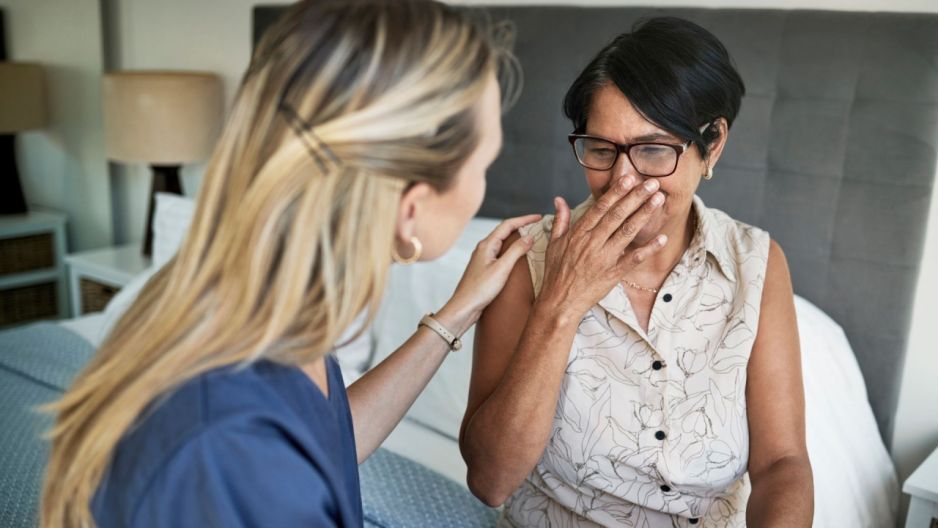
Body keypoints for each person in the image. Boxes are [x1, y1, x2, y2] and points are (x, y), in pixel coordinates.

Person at [38, 1, 555, 525]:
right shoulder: (233, 447)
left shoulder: (262, 311)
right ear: (411, 209)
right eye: (483, 165)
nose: (483, 183)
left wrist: (457, 313)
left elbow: (326, 442)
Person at [459, 17, 814, 527]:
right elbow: (490, 480)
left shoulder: (755, 263)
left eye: (652, 149)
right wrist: (561, 305)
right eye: (602, 150)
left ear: (712, 144)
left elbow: (782, 463)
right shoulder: (527, 258)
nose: (623, 180)